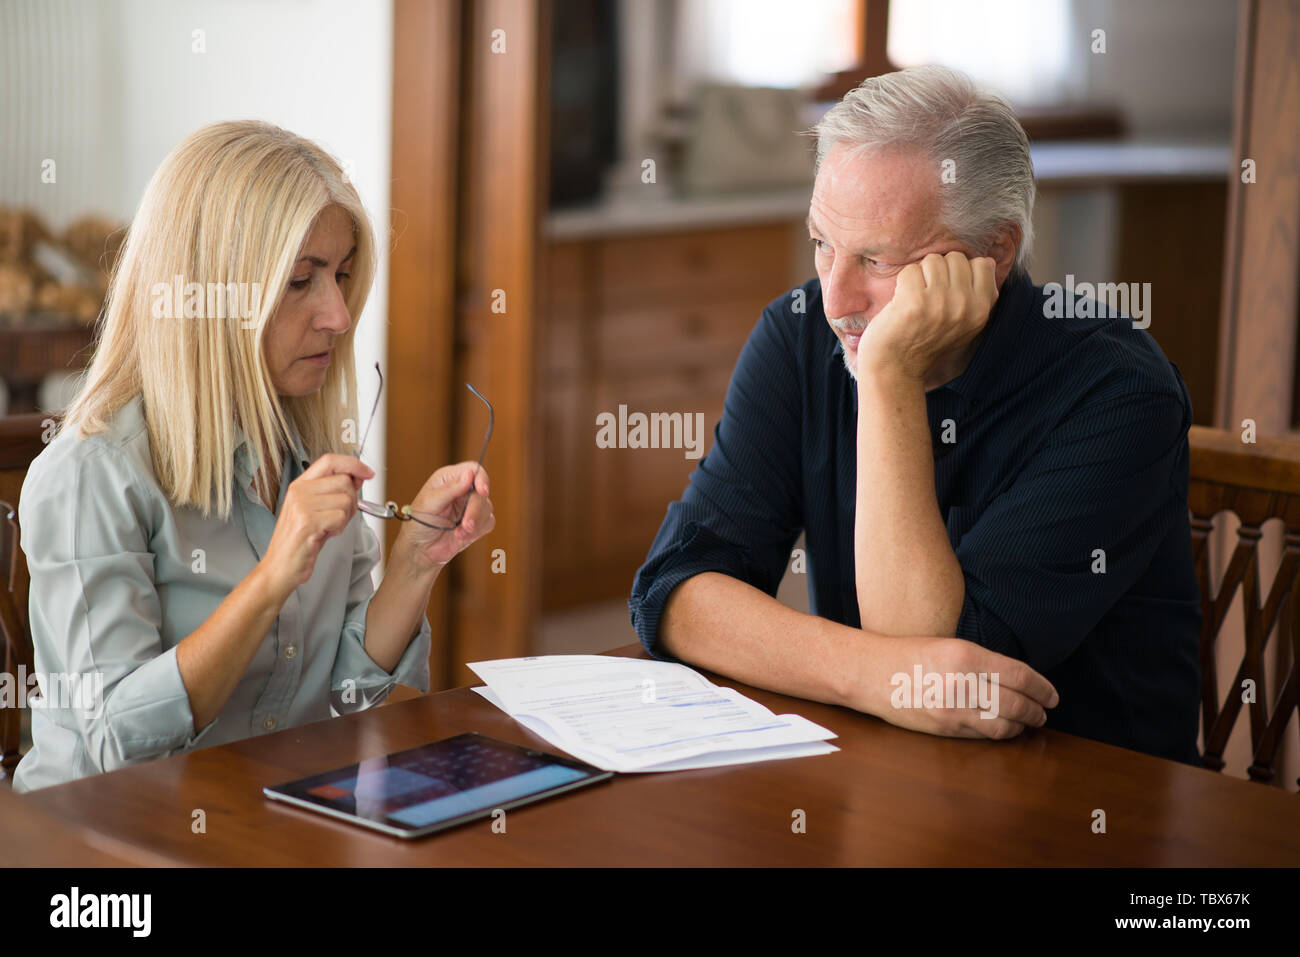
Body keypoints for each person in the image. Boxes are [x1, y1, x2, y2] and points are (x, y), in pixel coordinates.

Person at [630, 66, 1202, 765]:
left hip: (1089, 809)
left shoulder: (1120, 394)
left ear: (994, 254)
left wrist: (889, 375)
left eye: (875, 258)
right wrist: (866, 674)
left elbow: (936, 663)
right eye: (822, 243)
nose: (835, 297)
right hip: (882, 780)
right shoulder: (799, 332)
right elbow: (676, 591)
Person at [12, 120, 494, 791]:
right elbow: (116, 745)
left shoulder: (309, 449)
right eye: (301, 280)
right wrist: (271, 579)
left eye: (343, 275)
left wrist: (415, 561)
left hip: (266, 824)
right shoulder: (93, 475)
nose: (338, 314)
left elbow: (355, 693)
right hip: (106, 838)